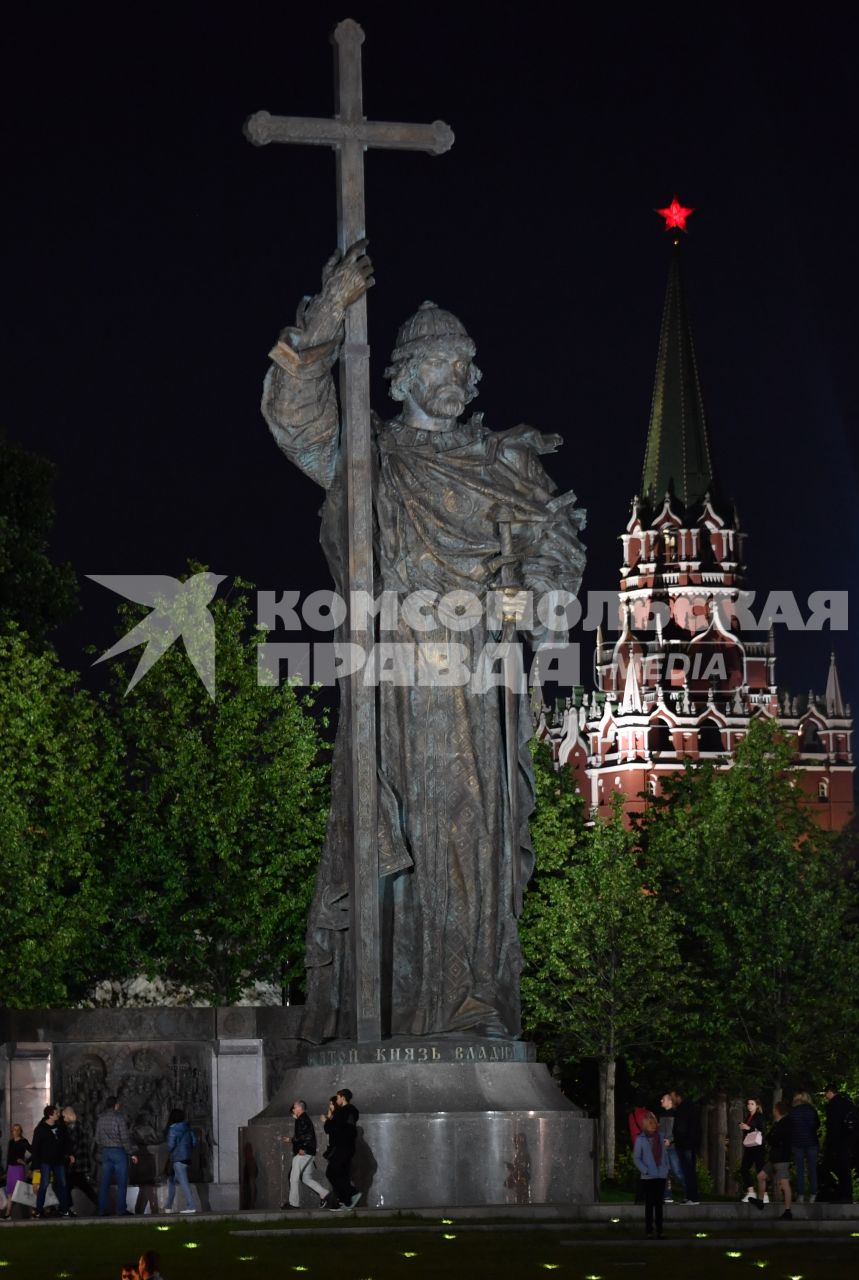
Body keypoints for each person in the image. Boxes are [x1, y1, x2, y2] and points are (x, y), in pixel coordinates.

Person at [262, 245, 584, 1044]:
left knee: (471, 839)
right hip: (389, 689)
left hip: (475, 687)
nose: (464, 379)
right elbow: (295, 415)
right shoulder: (367, 458)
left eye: (469, 365)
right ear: (401, 373)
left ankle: (470, 1006)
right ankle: (382, 1015)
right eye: (445, 362)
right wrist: (328, 312)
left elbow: (555, 555)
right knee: (381, 840)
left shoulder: (507, 464)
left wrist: (528, 603)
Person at [633, 1112, 677, 1239]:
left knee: (659, 1205)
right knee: (649, 1204)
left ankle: (660, 1230)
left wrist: (666, 1168)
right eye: (651, 1123)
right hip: (648, 1176)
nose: (653, 1126)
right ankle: (649, 1230)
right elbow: (636, 1158)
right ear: (646, 1125)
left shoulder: (661, 1137)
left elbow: (665, 1155)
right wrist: (645, 1170)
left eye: (654, 1123)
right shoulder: (640, 1139)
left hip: (661, 1175)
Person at [284, 1100, 331, 1210]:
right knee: (306, 1178)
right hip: (308, 1152)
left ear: (299, 1108)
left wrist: (303, 1148)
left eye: (294, 1107)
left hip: (303, 1153)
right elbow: (304, 1135)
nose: (293, 1109)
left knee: (293, 1177)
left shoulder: (302, 1119)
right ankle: (325, 1194)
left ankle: (294, 1204)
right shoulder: (302, 1119)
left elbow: (307, 1136)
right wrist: (292, 1140)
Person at [32, 1104, 73, 1219]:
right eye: (56, 1113)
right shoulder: (40, 1129)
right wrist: (36, 1165)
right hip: (46, 1161)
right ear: (50, 1115)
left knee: (63, 1184)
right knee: (44, 1185)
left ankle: (64, 1209)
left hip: (59, 1161)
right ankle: (39, 1210)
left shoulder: (60, 1126)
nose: (58, 1115)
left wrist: (70, 1154)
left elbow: (66, 1140)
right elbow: (35, 1148)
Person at [322, 1091, 361, 1210]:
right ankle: (346, 1201)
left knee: (332, 1173)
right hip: (348, 1147)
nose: (337, 1099)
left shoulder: (342, 1111)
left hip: (341, 1147)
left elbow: (332, 1129)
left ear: (342, 1098)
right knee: (342, 1174)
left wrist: (326, 1120)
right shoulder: (352, 1112)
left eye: (338, 1097)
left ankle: (352, 1193)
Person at [95, 1096, 133, 1217]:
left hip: (106, 1152)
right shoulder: (119, 1118)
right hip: (118, 1152)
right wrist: (130, 1151)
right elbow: (125, 1137)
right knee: (122, 1183)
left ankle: (101, 1210)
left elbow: (97, 1138)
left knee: (104, 1183)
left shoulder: (100, 1118)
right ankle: (120, 1210)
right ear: (116, 1105)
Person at [823, 1086, 859, 1204]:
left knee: (839, 1168)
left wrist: (830, 1143)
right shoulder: (846, 1103)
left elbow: (833, 1126)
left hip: (837, 1142)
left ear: (830, 1092)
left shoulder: (833, 1105)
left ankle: (842, 1194)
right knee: (845, 1169)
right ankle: (846, 1194)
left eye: (826, 1093)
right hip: (847, 1141)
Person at [164, 1107, 200, 1214]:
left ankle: (191, 1206)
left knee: (184, 1182)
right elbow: (194, 1142)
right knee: (171, 1181)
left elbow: (170, 1146)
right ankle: (168, 1205)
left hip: (177, 1159)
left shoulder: (173, 1129)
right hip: (186, 1158)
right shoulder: (188, 1128)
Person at [669, 1089, 703, 1205]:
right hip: (687, 1144)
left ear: (678, 1097)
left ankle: (692, 1197)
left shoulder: (684, 1108)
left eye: (672, 1096)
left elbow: (682, 1127)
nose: (671, 1099)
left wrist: (678, 1140)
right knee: (688, 1170)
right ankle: (690, 1196)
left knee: (688, 1170)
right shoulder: (688, 1107)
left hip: (686, 1144)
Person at [787, 1092, 820, 1206]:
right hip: (811, 1143)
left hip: (798, 1144)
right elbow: (817, 1125)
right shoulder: (812, 1110)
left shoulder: (793, 1112)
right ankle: (813, 1194)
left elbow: (790, 1128)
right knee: (812, 1170)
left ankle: (800, 1195)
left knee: (800, 1170)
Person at [768, 1100, 796, 1220]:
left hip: (781, 1157)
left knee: (784, 1183)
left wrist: (772, 1138)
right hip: (777, 1157)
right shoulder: (780, 1123)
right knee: (762, 1176)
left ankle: (788, 1210)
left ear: (778, 1110)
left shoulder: (784, 1124)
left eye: (774, 1109)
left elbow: (775, 1139)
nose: (773, 1111)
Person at [738, 1097, 769, 1205]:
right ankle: (751, 1192)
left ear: (757, 1105)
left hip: (758, 1147)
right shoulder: (748, 1117)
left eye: (752, 1104)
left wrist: (748, 1128)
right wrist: (744, 1127)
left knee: (760, 1170)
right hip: (749, 1147)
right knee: (744, 1168)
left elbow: (762, 1130)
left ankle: (764, 1195)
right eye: (748, 1103)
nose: (749, 1105)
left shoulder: (760, 1116)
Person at [2, 1122, 32, 1220]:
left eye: (17, 1129)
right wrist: (6, 1171)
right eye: (14, 1129)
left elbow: (34, 1152)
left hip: (19, 1169)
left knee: (20, 1192)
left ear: (20, 1131)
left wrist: (25, 1161)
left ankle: (30, 1214)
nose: (15, 1131)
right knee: (10, 1193)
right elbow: (9, 1157)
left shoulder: (24, 1141)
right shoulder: (11, 1142)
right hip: (11, 1169)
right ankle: (7, 1214)